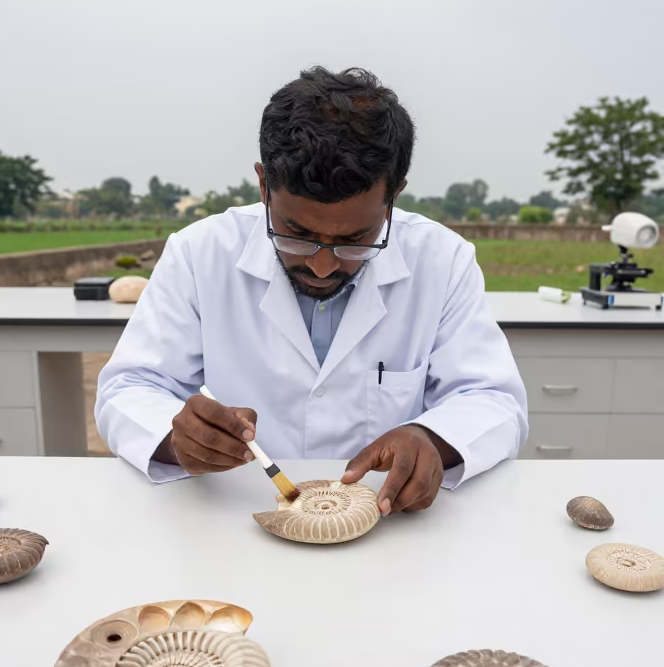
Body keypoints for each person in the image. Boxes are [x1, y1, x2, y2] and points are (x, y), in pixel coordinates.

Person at [96, 67, 527, 514]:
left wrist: (431, 440)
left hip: (386, 522)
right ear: (264, 186)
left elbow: (492, 399)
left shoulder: (442, 259)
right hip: (237, 516)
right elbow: (129, 387)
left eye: (355, 240)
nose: (322, 266)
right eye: (296, 234)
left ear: (393, 197)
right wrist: (178, 438)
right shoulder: (199, 253)